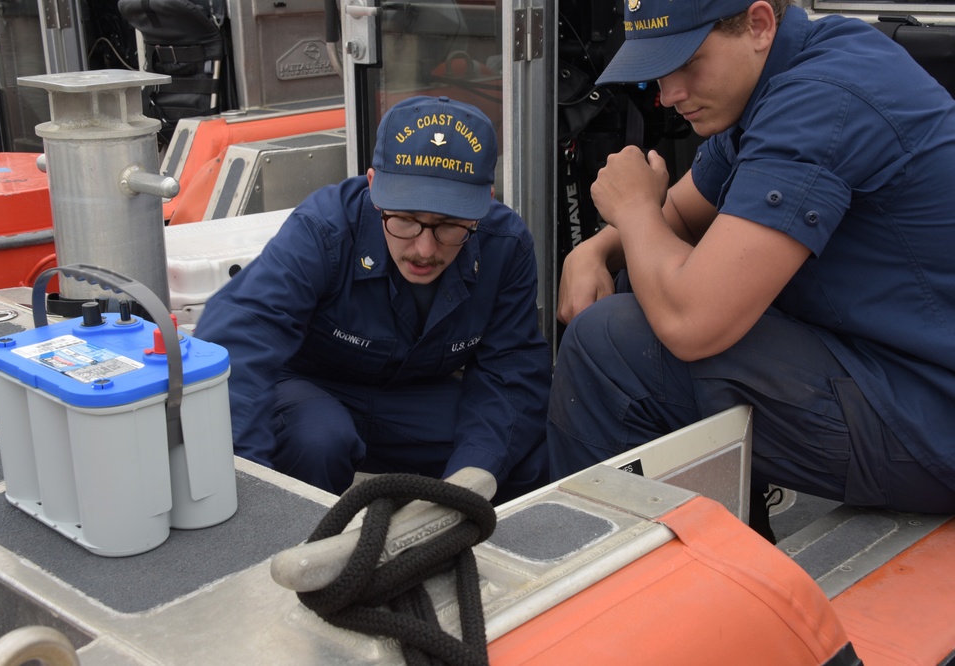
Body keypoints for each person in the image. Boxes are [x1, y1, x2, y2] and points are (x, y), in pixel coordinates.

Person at [547, 0, 955, 535]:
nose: (668, 95)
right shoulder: (787, 70)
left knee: (611, 344)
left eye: (687, 62)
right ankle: (732, 552)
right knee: (639, 277)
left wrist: (633, 210)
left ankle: (611, 584)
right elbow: (681, 216)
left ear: (759, 25)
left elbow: (693, 321)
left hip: (929, 412)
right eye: (658, 71)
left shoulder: (820, 102)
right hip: (889, 365)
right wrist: (595, 250)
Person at [194, 95, 551, 503]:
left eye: (450, 226)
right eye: (404, 220)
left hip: (410, 399)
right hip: (307, 392)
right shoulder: (322, 229)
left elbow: (510, 372)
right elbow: (239, 339)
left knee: (516, 452)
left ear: (483, 203)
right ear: (372, 187)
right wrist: (250, 486)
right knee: (319, 438)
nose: (423, 249)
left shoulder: (505, 245)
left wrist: (470, 482)